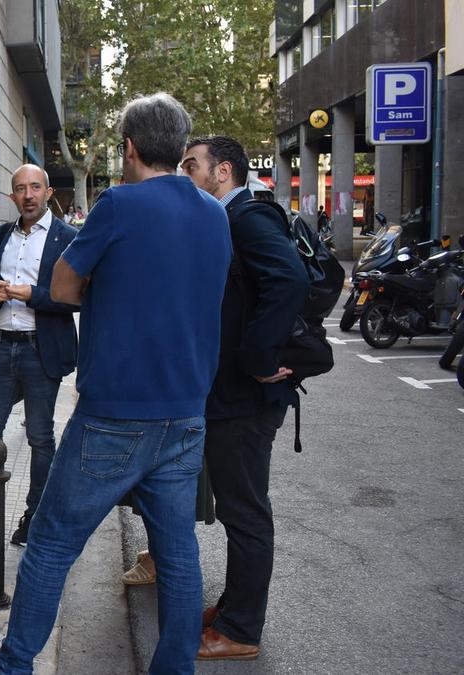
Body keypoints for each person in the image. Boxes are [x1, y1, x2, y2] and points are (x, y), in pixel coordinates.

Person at [0, 93, 231, 675]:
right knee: (178, 556)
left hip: (114, 416)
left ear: (129, 148)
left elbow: (63, 287)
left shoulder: (118, 204)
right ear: (179, 147)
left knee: (51, 543)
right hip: (185, 416)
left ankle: (13, 667)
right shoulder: (213, 212)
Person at [179, 135, 308, 660]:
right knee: (237, 510)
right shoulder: (226, 219)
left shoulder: (247, 218)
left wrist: (257, 358)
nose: (186, 174)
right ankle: (234, 608)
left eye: (193, 165)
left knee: (246, 512)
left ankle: (242, 631)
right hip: (231, 393)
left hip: (246, 398)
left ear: (223, 171)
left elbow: (289, 279)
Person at [0, 164, 79, 546]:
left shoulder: (67, 238)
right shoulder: (2, 235)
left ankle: (34, 515)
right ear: (12, 196)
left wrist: (32, 295)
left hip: (41, 350)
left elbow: (75, 298)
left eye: (35, 187)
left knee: (40, 437)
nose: (28, 195)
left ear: (48, 193)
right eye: (21, 189)